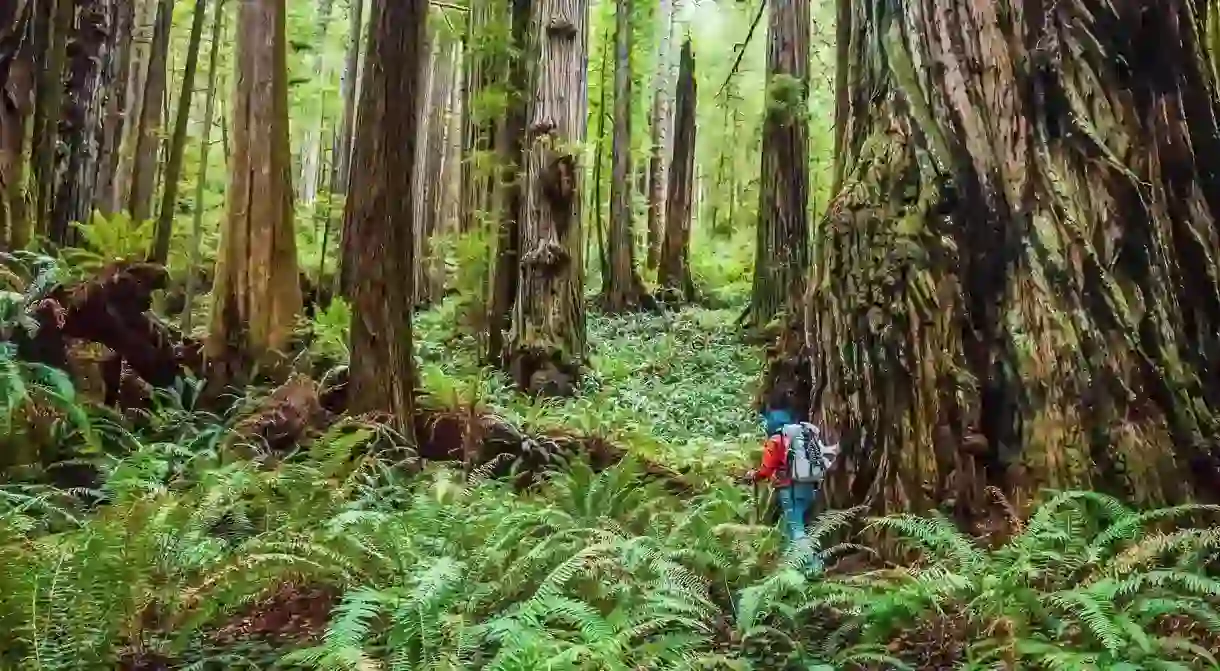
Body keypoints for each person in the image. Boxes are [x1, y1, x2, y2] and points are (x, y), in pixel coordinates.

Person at [746, 405, 828, 546]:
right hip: (808, 486)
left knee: (796, 529)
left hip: (790, 490)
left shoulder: (776, 440)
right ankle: (793, 563)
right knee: (800, 526)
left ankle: (810, 566)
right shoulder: (803, 435)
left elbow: (767, 469)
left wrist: (754, 475)